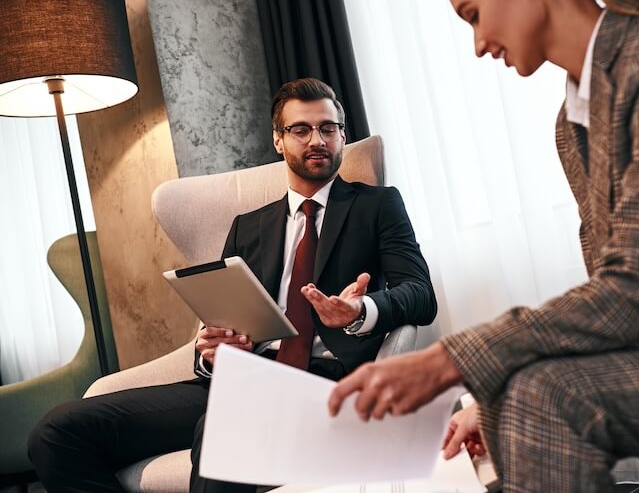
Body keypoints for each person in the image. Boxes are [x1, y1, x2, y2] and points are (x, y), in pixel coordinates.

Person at [327, 0, 639, 491]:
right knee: (514, 396)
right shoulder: (571, 123)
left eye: (475, 15)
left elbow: (637, 291)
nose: (480, 43)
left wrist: (449, 361)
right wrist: (491, 393)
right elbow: (612, 302)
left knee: (543, 397)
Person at [28, 77, 437, 493]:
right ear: (278, 140)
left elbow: (421, 296)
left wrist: (361, 312)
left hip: (322, 382)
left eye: (328, 128)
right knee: (57, 433)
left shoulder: (377, 205)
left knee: (224, 423)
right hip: (236, 379)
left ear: (342, 136)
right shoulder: (248, 226)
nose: (317, 139)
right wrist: (213, 350)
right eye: (301, 129)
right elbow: (221, 322)